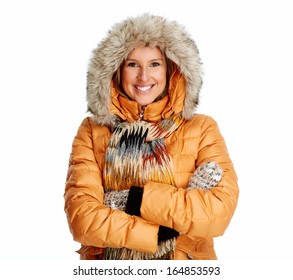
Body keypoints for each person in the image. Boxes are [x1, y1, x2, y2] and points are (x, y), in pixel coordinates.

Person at [64, 14, 239, 260]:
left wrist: (132, 199)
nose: (144, 77)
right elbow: (82, 218)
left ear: (172, 69)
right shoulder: (93, 131)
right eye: (132, 64)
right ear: (116, 70)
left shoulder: (202, 129)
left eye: (155, 64)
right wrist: (160, 233)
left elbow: (217, 214)